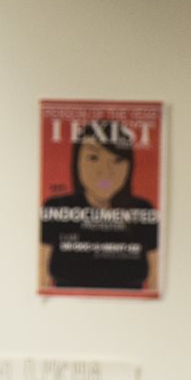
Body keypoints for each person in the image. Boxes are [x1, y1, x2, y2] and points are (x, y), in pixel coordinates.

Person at [40, 121, 159, 293]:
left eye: (117, 160)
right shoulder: (57, 209)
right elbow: (42, 278)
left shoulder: (143, 211)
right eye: (93, 158)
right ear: (77, 162)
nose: (105, 171)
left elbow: (155, 281)